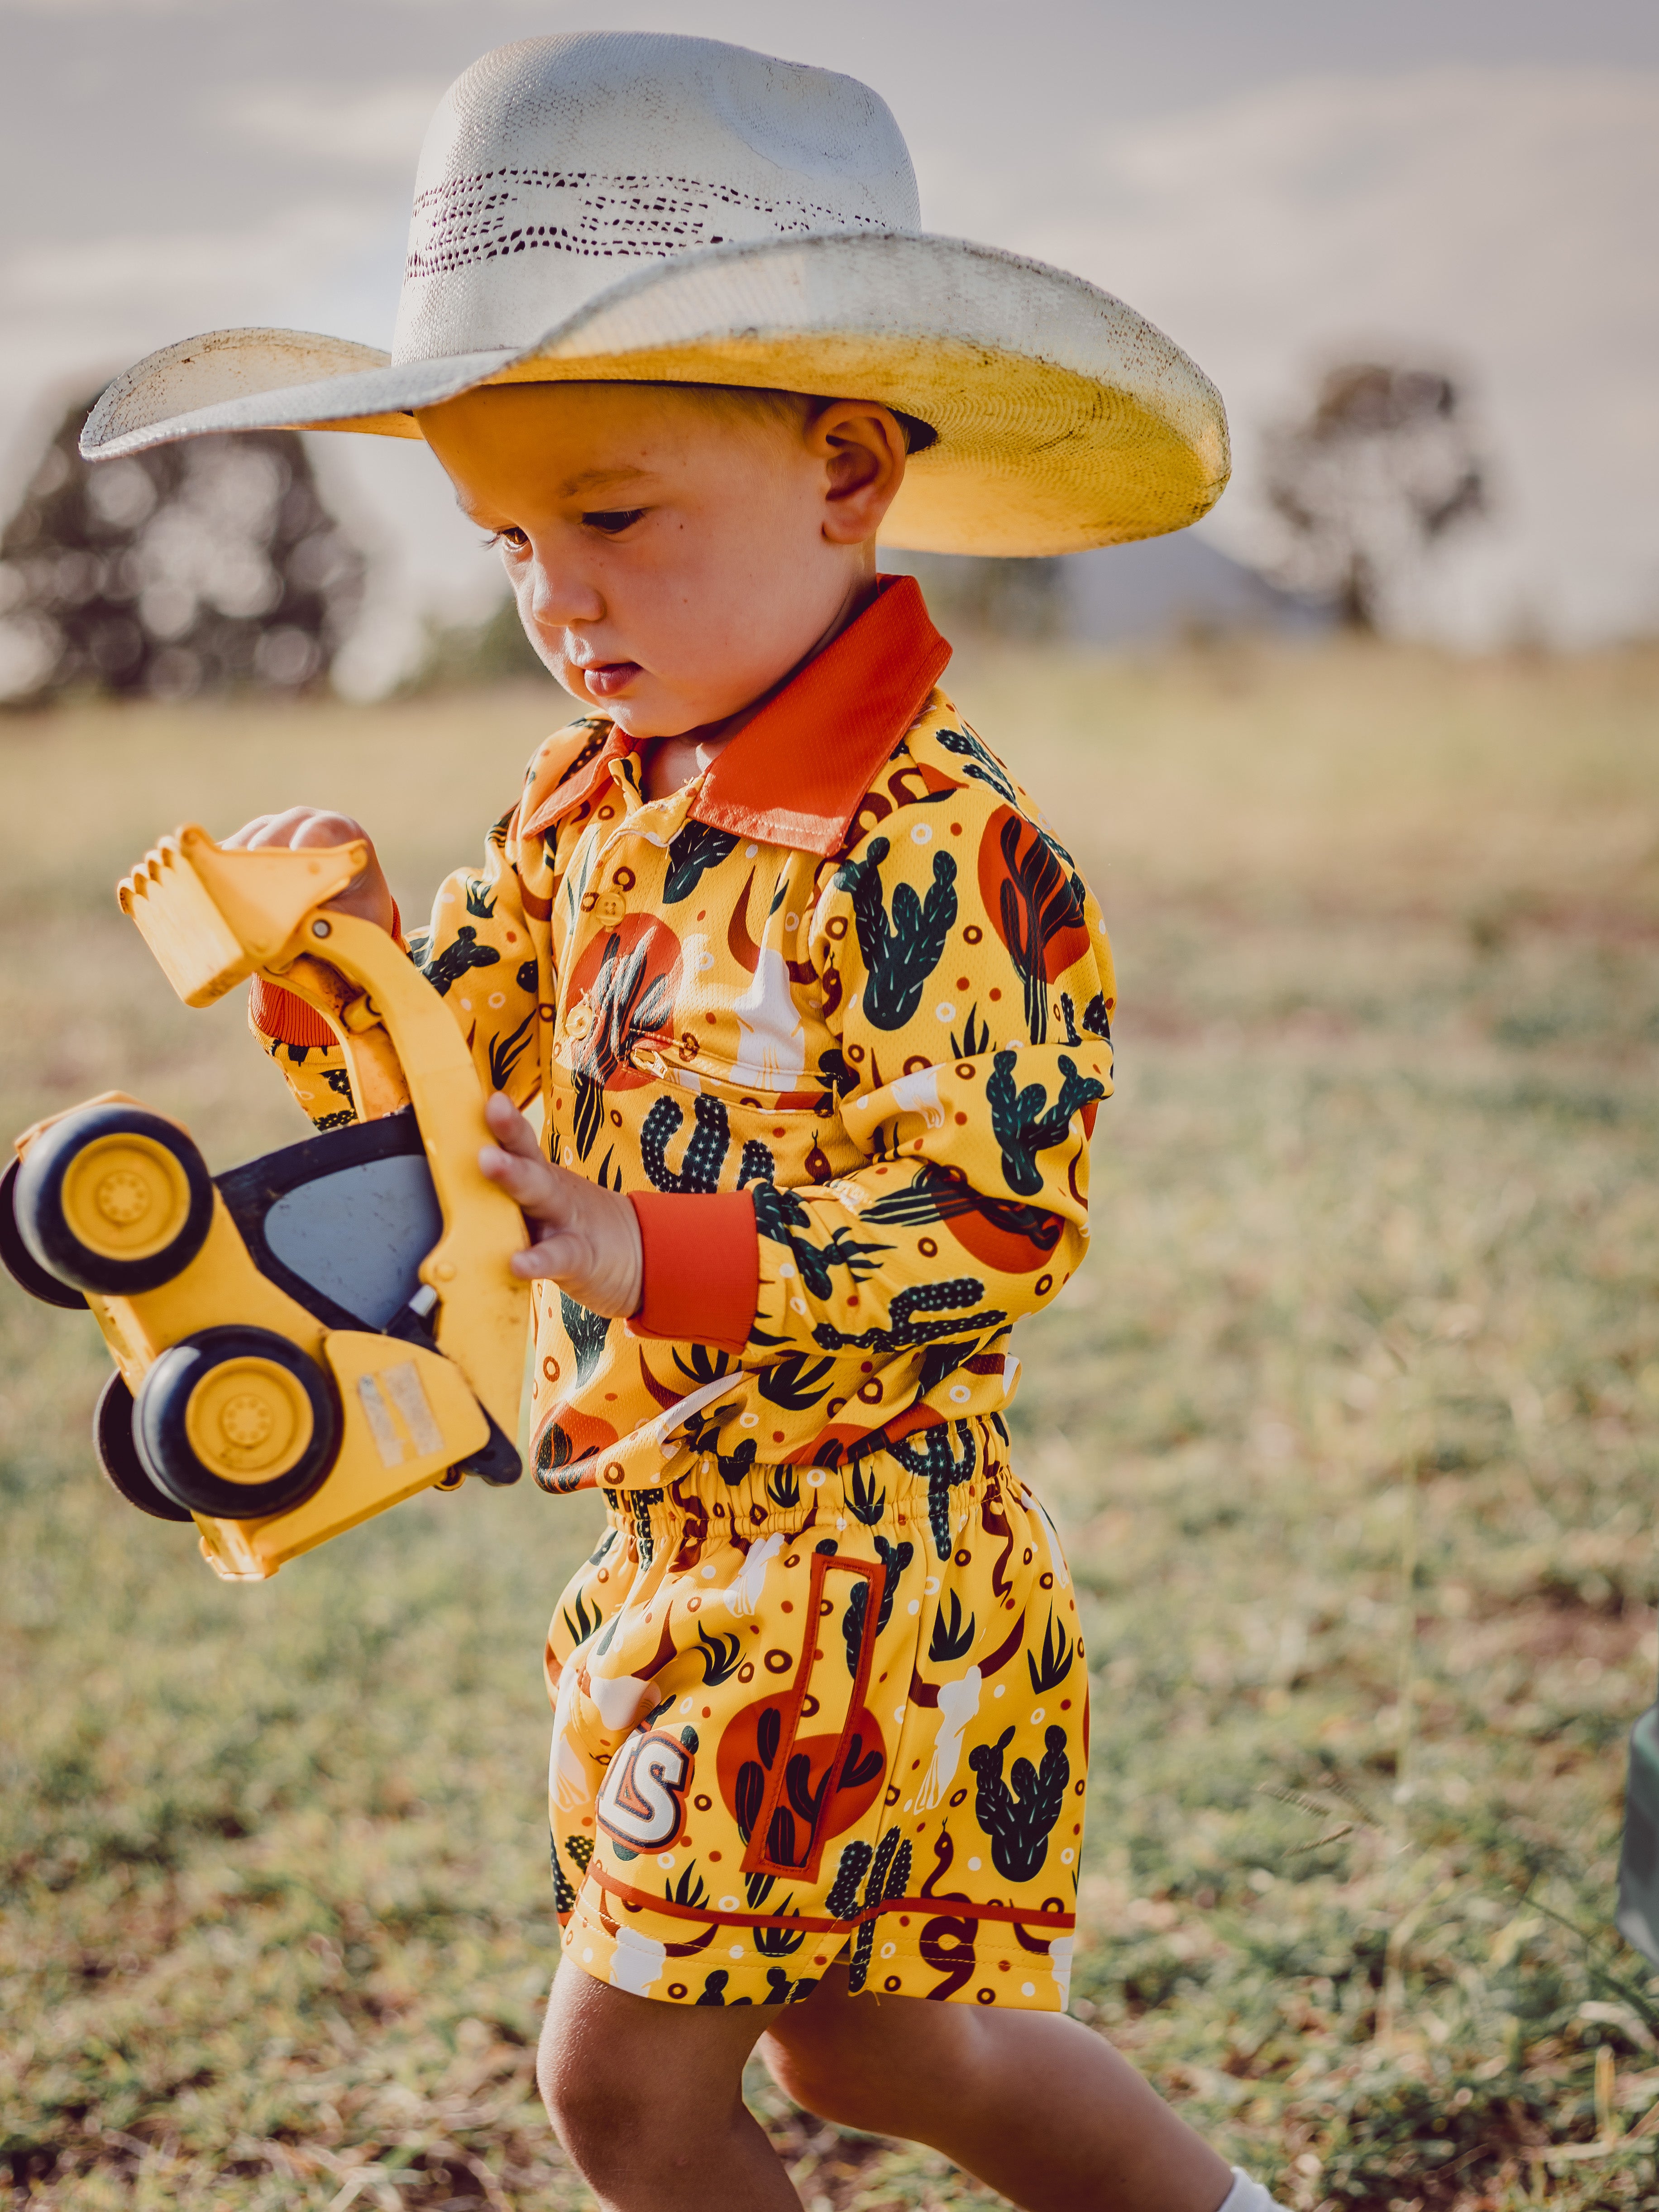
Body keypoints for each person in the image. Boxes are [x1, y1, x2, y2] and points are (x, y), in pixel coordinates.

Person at [85, 33, 1288, 2212]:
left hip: (855, 1561)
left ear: (845, 474)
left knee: (620, 2093)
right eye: (510, 538)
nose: (556, 597)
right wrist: (343, 959)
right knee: (881, 2041)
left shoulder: (932, 852)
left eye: (611, 518)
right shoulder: (576, 804)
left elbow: (994, 1226)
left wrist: (660, 1256)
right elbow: (456, 1140)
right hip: (669, 1552)